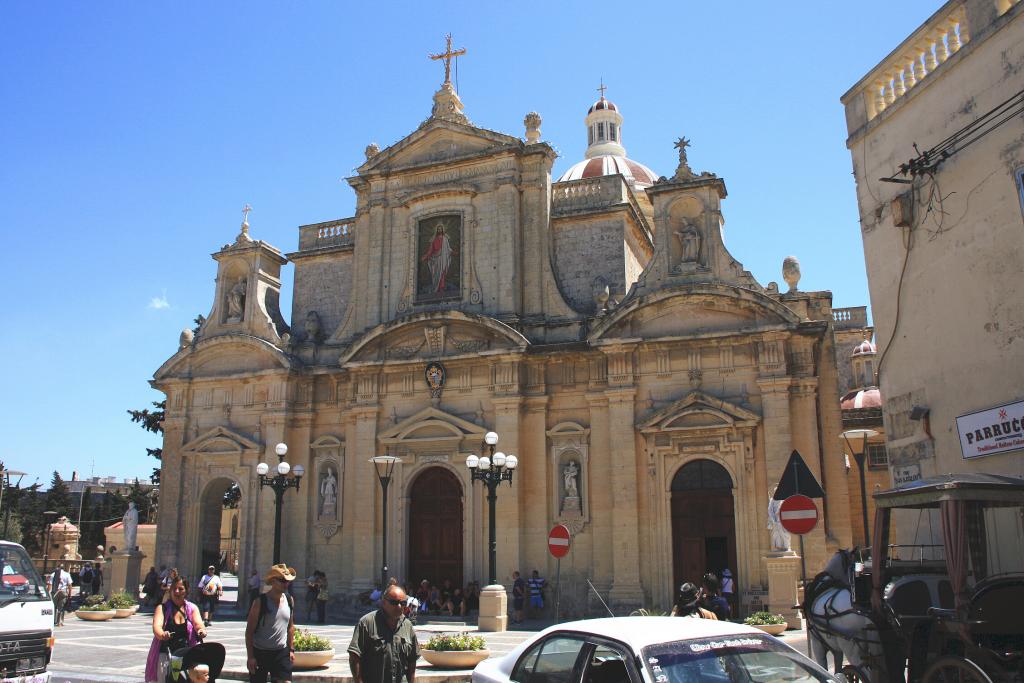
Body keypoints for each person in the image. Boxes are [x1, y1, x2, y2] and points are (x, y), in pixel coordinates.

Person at [348, 584, 418, 683]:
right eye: (394, 602)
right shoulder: (366, 623)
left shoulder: (408, 625)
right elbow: (354, 657)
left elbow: (412, 659)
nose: (399, 606)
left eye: (402, 603)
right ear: (383, 602)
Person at [146, 574, 207, 683]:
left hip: (186, 654)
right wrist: (162, 634)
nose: (177, 591)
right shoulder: (162, 608)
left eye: (181, 589)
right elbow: (157, 627)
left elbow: (198, 623)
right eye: (174, 589)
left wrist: (201, 630)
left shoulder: (192, 608)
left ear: (186, 591)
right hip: (166, 653)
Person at [245, 564, 296, 683]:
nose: (286, 584)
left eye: (288, 581)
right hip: (260, 652)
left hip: (281, 652)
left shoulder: (289, 600)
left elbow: (290, 626)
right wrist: (251, 657)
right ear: (273, 581)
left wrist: (291, 649)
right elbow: (249, 631)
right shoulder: (260, 602)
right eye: (282, 580)